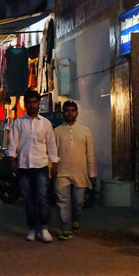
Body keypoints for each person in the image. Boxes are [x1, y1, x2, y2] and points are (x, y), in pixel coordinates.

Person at [7, 89, 60, 243]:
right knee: (29, 199)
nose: (32, 105)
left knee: (43, 198)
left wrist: (54, 163)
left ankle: (43, 228)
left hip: (41, 166)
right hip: (24, 166)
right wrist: (12, 159)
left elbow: (51, 144)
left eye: (34, 102)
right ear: (25, 104)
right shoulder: (18, 123)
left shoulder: (45, 124)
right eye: (29, 102)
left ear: (38, 104)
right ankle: (32, 228)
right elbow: (13, 143)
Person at [52, 101, 96, 240]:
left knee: (78, 202)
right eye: (67, 110)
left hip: (80, 172)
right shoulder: (56, 131)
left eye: (72, 110)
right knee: (63, 202)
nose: (70, 113)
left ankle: (75, 219)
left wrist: (93, 173)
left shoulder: (85, 131)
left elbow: (90, 154)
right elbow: (52, 153)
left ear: (77, 112)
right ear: (63, 113)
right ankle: (66, 228)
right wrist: (51, 170)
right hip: (62, 173)